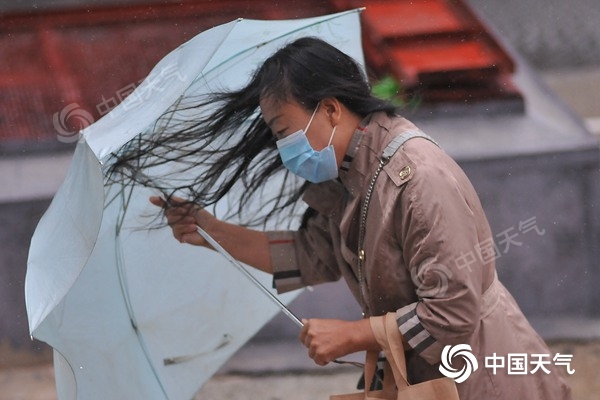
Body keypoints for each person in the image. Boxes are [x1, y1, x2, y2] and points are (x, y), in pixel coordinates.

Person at [137, 37, 571, 399]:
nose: (281, 147)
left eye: (282, 131)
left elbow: (454, 311)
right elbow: (312, 256)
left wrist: (352, 334)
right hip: (420, 376)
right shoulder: (351, 176)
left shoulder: (417, 178)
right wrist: (211, 231)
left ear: (329, 110)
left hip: (483, 378)